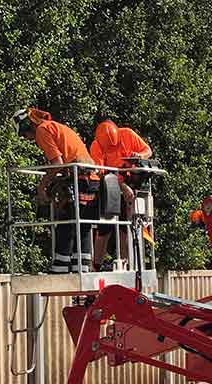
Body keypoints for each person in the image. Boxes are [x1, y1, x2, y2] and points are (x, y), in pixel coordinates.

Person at [12, 108, 98, 273]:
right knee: (83, 224)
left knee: (66, 222)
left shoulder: (42, 130)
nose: (27, 138)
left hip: (79, 178)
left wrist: (42, 186)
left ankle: (60, 267)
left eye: (24, 134)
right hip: (91, 179)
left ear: (27, 126)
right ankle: (81, 266)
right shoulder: (56, 126)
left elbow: (57, 163)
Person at [89, 120, 153, 270]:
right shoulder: (96, 146)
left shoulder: (128, 134)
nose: (112, 148)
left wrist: (139, 155)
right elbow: (102, 172)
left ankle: (127, 264)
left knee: (126, 228)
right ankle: (96, 266)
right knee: (105, 228)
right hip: (108, 186)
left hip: (132, 183)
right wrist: (122, 186)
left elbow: (148, 151)